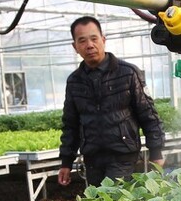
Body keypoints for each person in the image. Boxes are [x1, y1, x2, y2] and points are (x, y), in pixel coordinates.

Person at [58, 16, 165, 187]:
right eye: (82, 41)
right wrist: (66, 162)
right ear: (75, 47)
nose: (90, 45)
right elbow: (70, 125)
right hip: (92, 158)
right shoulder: (74, 81)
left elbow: (148, 114)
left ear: (103, 40)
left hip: (122, 155)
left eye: (94, 38)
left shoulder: (128, 73)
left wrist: (156, 152)